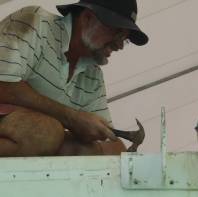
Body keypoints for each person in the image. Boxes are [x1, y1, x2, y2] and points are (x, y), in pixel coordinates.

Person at [0, 0, 148, 156]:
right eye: (117, 33)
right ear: (87, 18)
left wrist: (89, 143)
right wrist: (72, 118)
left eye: (125, 39)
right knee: (46, 133)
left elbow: (111, 146)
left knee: (83, 149)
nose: (120, 45)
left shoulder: (93, 76)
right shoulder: (36, 23)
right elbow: (3, 85)